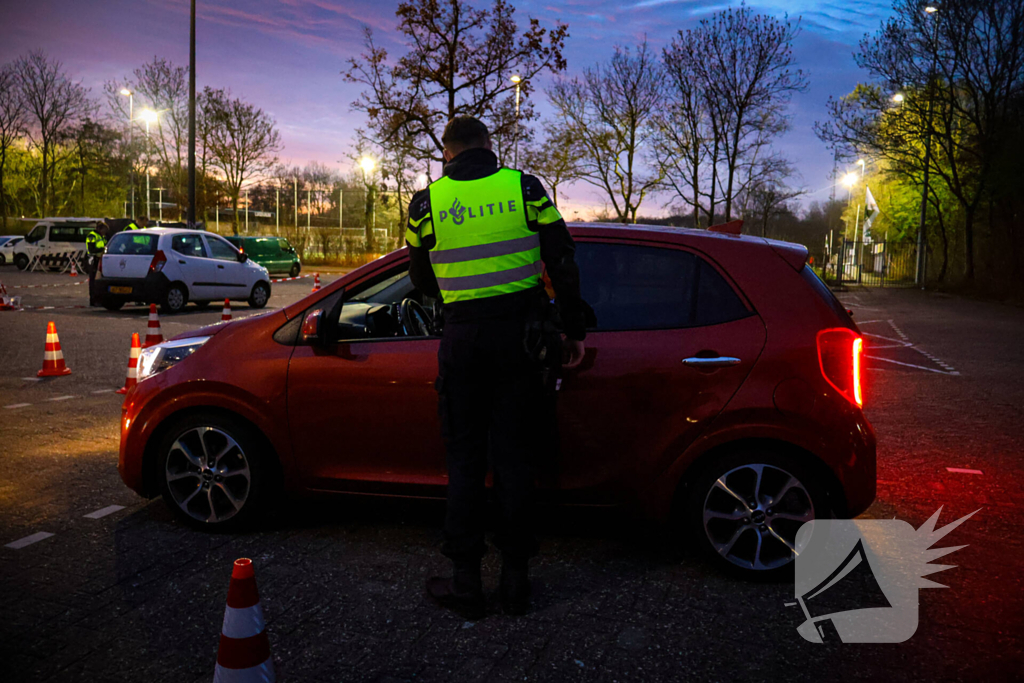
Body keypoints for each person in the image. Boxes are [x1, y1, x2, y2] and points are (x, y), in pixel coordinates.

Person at [406, 115, 591, 618]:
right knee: (515, 460)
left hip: (463, 340)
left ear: (447, 151)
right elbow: (563, 259)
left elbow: (420, 280)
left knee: (465, 462)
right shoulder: (525, 189)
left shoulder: (427, 203)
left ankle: (466, 583)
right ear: (489, 146)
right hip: (522, 340)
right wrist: (572, 328)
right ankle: (516, 585)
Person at [85, 221, 110, 306]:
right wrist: (102, 250)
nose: (105, 233)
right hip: (93, 260)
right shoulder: (92, 235)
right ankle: (93, 300)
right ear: (99, 229)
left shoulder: (102, 236)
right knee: (93, 281)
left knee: (99, 281)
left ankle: (99, 299)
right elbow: (91, 249)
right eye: (104, 231)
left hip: (101, 259)